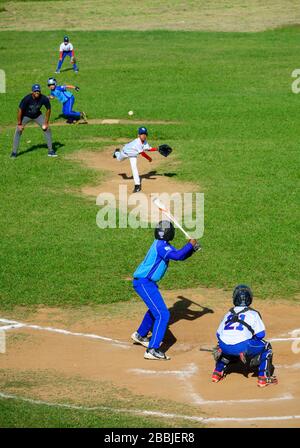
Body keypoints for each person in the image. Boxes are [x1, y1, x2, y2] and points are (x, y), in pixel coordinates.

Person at [131, 220, 200, 360]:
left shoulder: (162, 245)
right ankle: (152, 349)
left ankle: (140, 334)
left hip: (146, 283)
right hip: (145, 283)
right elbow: (178, 255)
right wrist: (190, 244)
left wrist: (191, 249)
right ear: (171, 233)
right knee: (163, 314)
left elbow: (180, 256)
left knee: (155, 310)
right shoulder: (162, 246)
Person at [212, 284, 278, 388]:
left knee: (225, 345)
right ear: (249, 298)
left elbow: (218, 334)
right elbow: (261, 335)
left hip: (224, 346)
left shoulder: (228, 313)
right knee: (266, 347)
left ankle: (217, 372)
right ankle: (263, 378)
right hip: (242, 346)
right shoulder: (253, 313)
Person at [10, 84, 56, 158]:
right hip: (25, 116)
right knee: (18, 130)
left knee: (47, 129)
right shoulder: (27, 99)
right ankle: (14, 153)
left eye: (38, 91)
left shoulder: (44, 98)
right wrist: (19, 124)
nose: (37, 92)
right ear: (32, 92)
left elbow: (48, 109)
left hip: (37, 116)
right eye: (35, 91)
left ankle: (51, 151)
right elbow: (20, 110)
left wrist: (46, 122)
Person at [113, 127, 159, 193]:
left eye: (145, 134)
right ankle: (116, 152)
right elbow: (142, 153)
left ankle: (137, 186)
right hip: (125, 152)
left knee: (134, 168)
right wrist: (149, 158)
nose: (143, 135)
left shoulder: (145, 142)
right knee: (119, 159)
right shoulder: (137, 143)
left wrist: (157, 149)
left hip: (133, 155)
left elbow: (148, 148)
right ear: (138, 135)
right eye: (142, 134)